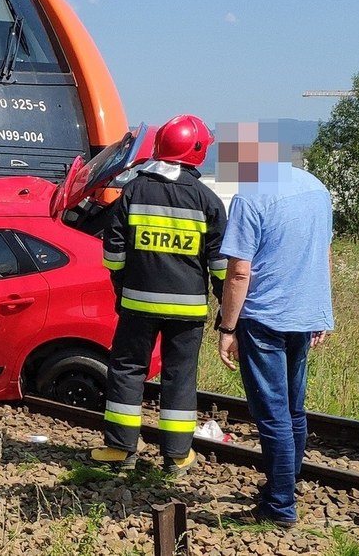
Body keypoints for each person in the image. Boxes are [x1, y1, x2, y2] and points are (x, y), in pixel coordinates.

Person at [92, 114, 226, 476]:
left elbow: (113, 250)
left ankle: (121, 450)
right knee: (179, 378)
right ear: (196, 152)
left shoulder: (133, 190)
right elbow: (221, 265)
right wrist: (225, 312)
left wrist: (121, 284)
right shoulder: (207, 199)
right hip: (189, 309)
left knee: (127, 371)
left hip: (137, 303)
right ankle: (177, 456)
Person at [217, 124, 333, 528]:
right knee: (293, 410)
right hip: (304, 314)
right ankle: (287, 482)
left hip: (264, 317)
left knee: (272, 415)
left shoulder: (251, 197)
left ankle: (280, 504)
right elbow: (323, 253)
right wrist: (323, 312)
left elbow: (238, 272)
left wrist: (227, 327)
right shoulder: (317, 188)